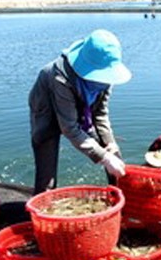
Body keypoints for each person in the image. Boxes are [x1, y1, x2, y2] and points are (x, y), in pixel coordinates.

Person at [29, 29, 131, 195]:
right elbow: (69, 128)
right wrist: (103, 157)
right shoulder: (60, 77)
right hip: (45, 109)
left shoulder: (106, 78)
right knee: (47, 177)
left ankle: (120, 194)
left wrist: (110, 144)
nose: (105, 82)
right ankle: (43, 203)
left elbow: (100, 115)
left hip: (83, 107)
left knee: (112, 153)